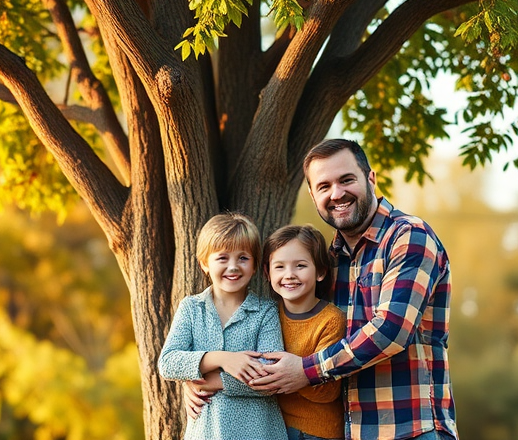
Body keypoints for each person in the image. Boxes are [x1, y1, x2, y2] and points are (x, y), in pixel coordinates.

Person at [249, 139, 457, 440]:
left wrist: (307, 370)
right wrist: (206, 378)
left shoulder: (408, 237)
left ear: (370, 179)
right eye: (324, 186)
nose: (336, 194)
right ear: (312, 194)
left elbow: (391, 330)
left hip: (411, 428)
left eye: (346, 180)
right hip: (352, 432)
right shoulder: (326, 261)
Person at [158, 212, 286, 440]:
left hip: (258, 432)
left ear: (255, 265)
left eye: (243, 258)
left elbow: (270, 375)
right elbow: (168, 362)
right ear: (204, 264)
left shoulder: (265, 311)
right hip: (207, 432)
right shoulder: (191, 308)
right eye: (222, 258)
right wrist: (223, 359)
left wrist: (212, 381)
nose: (233, 266)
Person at [265, 224, 347, 440]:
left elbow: (328, 391)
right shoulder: (267, 315)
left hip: (317, 432)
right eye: (279, 267)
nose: (289, 275)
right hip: (275, 427)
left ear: (320, 271)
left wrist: (294, 371)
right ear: (268, 272)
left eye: (300, 266)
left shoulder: (330, 320)